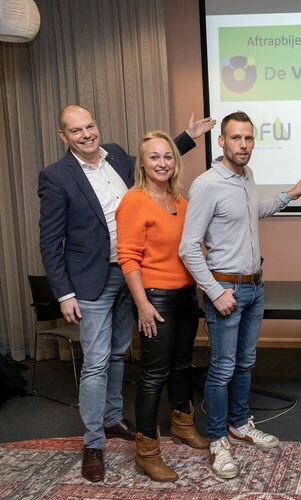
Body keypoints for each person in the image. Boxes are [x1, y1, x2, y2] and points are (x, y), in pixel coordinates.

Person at [38, 104, 214, 482]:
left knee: (120, 352)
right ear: (63, 136)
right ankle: (93, 443)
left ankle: (113, 418)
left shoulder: (116, 156)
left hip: (133, 274)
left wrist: (188, 138)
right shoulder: (56, 176)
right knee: (97, 360)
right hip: (92, 279)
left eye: (90, 126)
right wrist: (64, 293)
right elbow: (50, 241)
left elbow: (156, 161)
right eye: (76, 130)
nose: (86, 134)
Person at [179, 111, 301, 480]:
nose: (243, 145)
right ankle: (217, 439)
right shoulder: (206, 185)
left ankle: (239, 425)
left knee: (245, 363)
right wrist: (214, 292)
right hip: (226, 289)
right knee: (222, 368)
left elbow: (253, 212)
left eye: (249, 138)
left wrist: (288, 196)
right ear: (221, 141)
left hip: (254, 287)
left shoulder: (246, 176)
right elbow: (188, 248)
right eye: (236, 138)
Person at [115, 131, 210, 482]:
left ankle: (183, 424)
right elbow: (128, 258)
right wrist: (142, 304)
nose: (162, 163)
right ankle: (147, 451)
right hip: (155, 299)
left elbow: (188, 248)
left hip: (185, 296)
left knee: (182, 366)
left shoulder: (179, 200)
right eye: (154, 157)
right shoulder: (133, 201)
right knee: (154, 376)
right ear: (142, 163)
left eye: (168, 156)